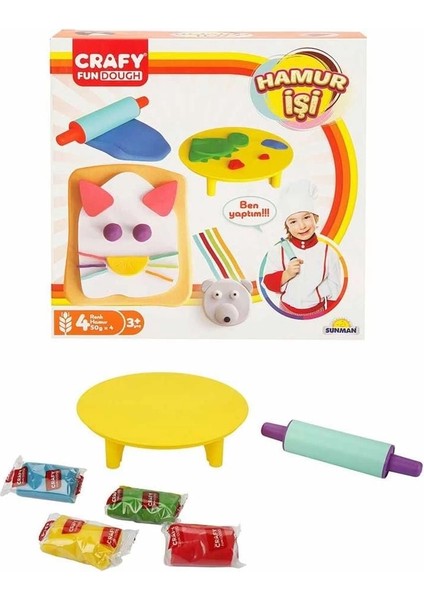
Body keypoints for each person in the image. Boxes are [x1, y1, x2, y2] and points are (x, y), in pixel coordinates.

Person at [263, 180, 342, 316]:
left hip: (316, 311)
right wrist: (287, 274)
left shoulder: (328, 252)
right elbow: (268, 282)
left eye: (306, 217)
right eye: (293, 221)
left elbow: (335, 285)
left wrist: (318, 294)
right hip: (285, 310)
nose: (302, 226)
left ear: (315, 218)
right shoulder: (278, 251)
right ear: (287, 226)